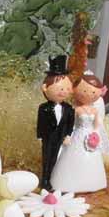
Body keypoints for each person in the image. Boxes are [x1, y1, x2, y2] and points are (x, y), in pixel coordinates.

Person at [50, 73, 108, 193]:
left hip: (90, 136)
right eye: (85, 90)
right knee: (71, 157)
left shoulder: (94, 110)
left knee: (92, 159)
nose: (88, 94)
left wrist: (96, 133)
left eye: (93, 92)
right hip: (77, 135)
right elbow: (69, 123)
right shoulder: (76, 110)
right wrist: (67, 135)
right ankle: (68, 182)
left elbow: (97, 123)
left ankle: (91, 182)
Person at [36, 55, 75, 190]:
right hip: (48, 138)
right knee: (47, 158)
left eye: (65, 88)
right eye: (59, 88)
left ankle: (55, 178)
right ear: (45, 88)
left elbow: (70, 123)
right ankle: (45, 179)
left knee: (58, 159)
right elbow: (40, 123)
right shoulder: (43, 108)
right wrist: (40, 136)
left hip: (61, 138)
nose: (62, 92)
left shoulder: (69, 109)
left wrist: (68, 135)